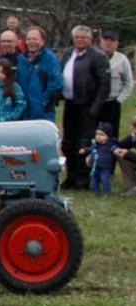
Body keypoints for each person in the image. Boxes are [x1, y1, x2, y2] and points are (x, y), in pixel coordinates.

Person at [60, 25, 110, 191]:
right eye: (77, 37)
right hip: (70, 104)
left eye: (83, 37)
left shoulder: (98, 56)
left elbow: (104, 84)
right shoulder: (68, 53)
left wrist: (96, 107)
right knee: (68, 143)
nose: (80, 40)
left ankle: (83, 180)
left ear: (90, 40)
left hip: (87, 105)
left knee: (83, 144)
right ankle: (70, 176)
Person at [16, 26, 62, 122]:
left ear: (42, 41)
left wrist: (44, 102)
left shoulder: (50, 59)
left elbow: (56, 83)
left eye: (34, 39)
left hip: (42, 112)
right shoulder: (21, 60)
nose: (31, 42)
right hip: (23, 111)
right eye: (29, 39)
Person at [98, 30, 133, 133]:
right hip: (95, 102)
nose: (108, 43)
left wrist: (119, 100)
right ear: (100, 41)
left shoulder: (122, 59)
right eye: (106, 40)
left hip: (112, 103)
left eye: (112, 40)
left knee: (111, 134)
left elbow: (128, 82)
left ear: (117, 43)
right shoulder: (94, 56)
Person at [82, 123, 117, 196]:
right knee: (94, 181)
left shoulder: (110, 145)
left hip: (104, 168)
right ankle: (96, 192)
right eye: (97, 134)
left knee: (105, 180)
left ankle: (107, 192)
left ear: (108, 136)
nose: (98, 137)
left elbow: (115, 149)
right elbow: (90, 149)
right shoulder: (95, 144)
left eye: (102, 135)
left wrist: (116, 151)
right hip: (94, 167)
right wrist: (85, 150)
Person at [113, 117, 136, 196]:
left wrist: (128, 154)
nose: (132, 129)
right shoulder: (134, 137)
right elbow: (118, 145)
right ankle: (132, 187)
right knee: (120, 155)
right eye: (133, 126)